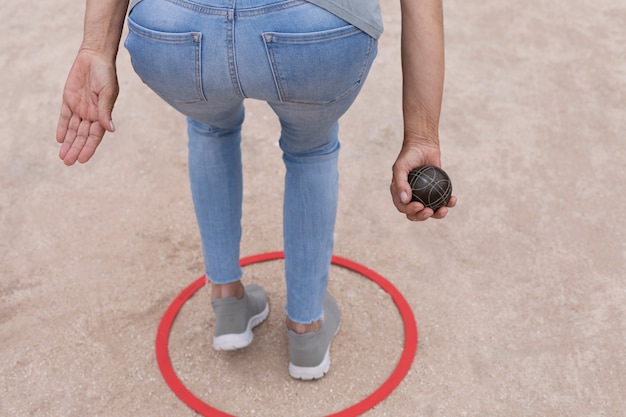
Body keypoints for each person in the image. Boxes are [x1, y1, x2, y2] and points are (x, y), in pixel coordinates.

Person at [56, 0, 456, 380]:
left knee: (210, 128)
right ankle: (306, 329)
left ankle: (228, 303)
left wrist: (96, 49)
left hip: (174, 28)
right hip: (314, 30)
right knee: (311, 150)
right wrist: (421, 132)